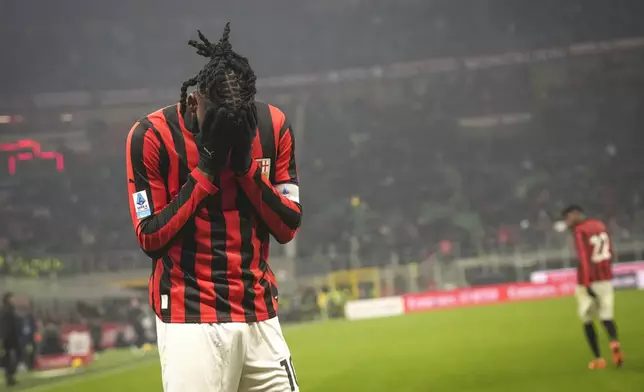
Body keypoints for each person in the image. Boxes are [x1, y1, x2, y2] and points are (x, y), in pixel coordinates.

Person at [125, 23, 301, 392]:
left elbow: (287, 227)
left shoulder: (272, 126)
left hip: (257, 311)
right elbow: (150, 238)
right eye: (219, 120)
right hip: (189, 316)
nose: (230, 127)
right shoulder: (151, 136)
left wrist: (245, 169)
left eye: (238, 119)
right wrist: (205, 169)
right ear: (193, 102)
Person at [562, 205, 623, 369]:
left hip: (588, 280)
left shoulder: (580, 231)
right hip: (606, 278)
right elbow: (610, 251)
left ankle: (598, 359)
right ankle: (614, 343)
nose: (567, 223)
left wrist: (587, 283)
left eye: (568, 218)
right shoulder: (600, 225)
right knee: (606, 316)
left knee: (587, 319)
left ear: (574, 215)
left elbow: (584, 257)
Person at [0, 292, 19, 387]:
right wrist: (4, 338)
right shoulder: (6, 310)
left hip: (11, 338)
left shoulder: (8, 310)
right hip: (9, 339)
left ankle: (11, 377)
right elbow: (6, 326)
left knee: (11, 358)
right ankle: (9, 377)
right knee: (10, 358)